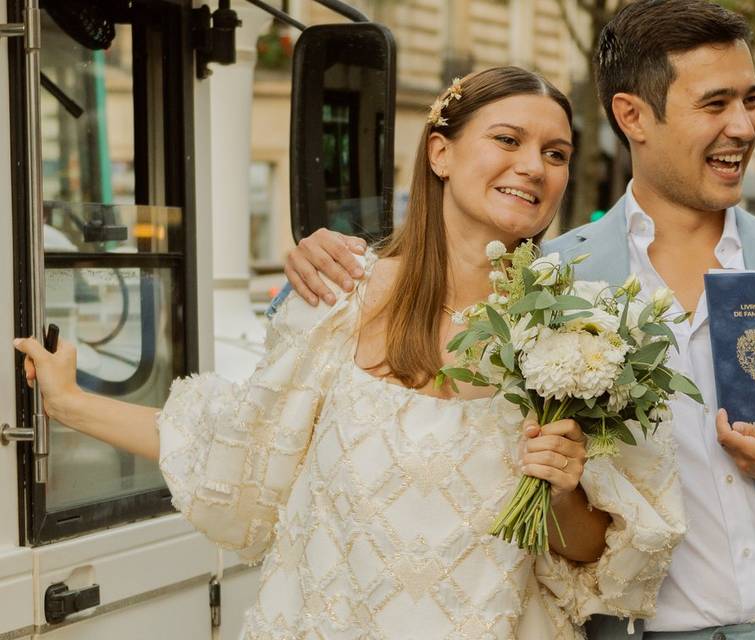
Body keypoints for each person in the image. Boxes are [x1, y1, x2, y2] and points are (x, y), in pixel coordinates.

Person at [277, 2, 755, 639]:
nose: (744, 126)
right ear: (633, 116)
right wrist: (333, 261)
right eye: (716, 104)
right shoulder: (545, 283)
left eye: (752, 100)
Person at [15, 67, 686, 638]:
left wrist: (564, 489)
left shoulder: (580, 339)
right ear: (440, 154)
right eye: (507, 140)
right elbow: (230, 449)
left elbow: (590, 554)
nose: (533, 166)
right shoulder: (338, 297)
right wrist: (70, 404)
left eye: (556, 153)